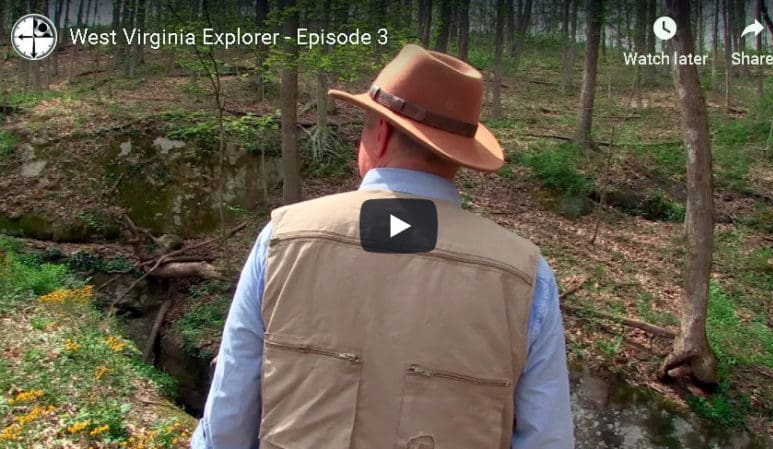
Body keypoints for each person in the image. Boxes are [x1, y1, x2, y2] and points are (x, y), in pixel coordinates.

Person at [191, 44, 574, 449]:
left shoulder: (282, 239)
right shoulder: (525, 274)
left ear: (383, 131)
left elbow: (227, 423)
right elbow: (548, 438)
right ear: (459, 153)